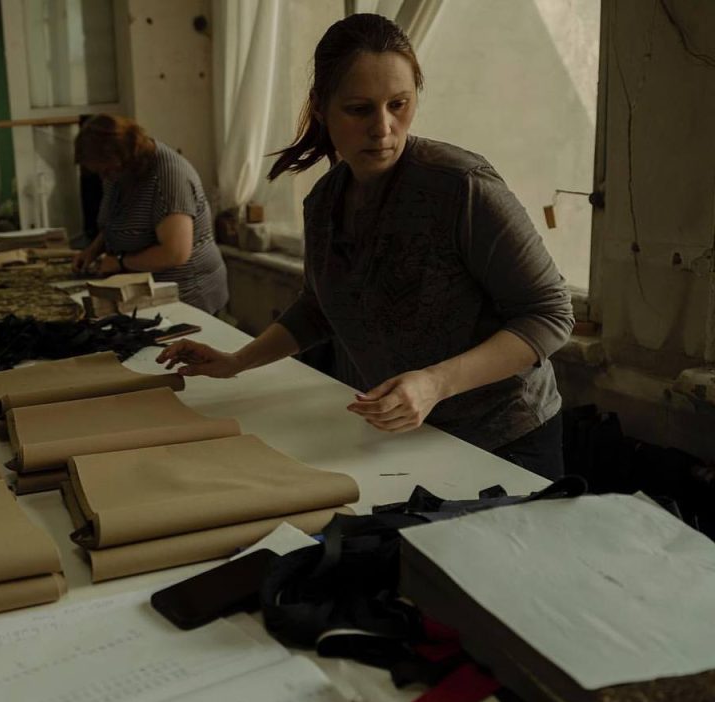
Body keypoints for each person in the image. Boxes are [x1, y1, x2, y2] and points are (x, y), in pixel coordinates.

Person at [157, 13, 573, 479]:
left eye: (399, 104)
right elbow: (320, 308)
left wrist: (435, 383)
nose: (383, 128)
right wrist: (237, 361)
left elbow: (550, 313)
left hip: (504, 442)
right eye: (359, 109)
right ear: (321, 108)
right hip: (402, 436)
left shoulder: (461, 187)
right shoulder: (323, 202)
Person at [72, 114, 229, 314]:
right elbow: (116, 221)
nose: (104, 177)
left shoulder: (168, 177)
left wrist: (120, 261)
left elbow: (175, 253)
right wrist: (92, 251)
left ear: (123, 156)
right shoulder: (118, 174)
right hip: (143, 291)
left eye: (107, 170)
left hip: (187, 294)